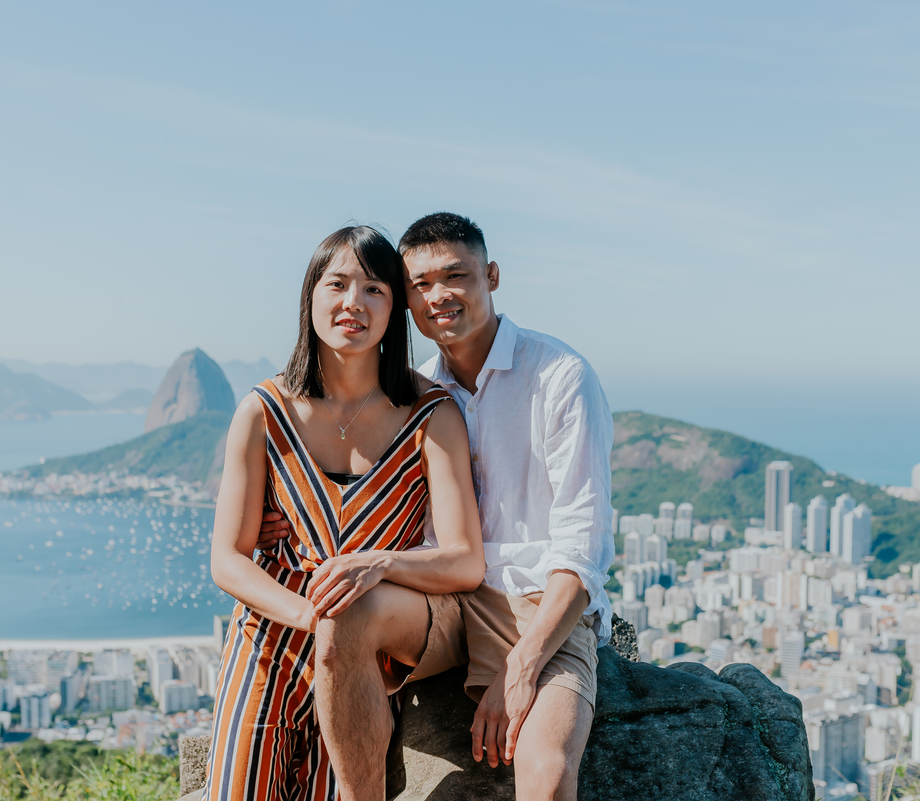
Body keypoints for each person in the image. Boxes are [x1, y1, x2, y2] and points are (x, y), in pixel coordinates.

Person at [259, 213, 614, 800]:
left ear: (492, 276)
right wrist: (284, 523)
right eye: (419, 284)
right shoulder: (414, 392)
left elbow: (582, 554)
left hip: (534, 604)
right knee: (341, 615)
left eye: (455, 275)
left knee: (547, 777)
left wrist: (519, 670)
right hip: (439, 601)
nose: (438, 296)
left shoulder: (558, 377)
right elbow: (358, 491)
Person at [204, 225, 485, 801]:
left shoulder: (432, 415)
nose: (352, 303)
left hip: (366, 665)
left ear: (396, 309)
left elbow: (463, 561)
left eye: (375, 289)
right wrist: (316, 620)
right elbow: (228, 560)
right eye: (337, 284)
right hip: (267, 643)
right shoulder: (263, 410)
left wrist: (378, 567)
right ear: (311, 296)